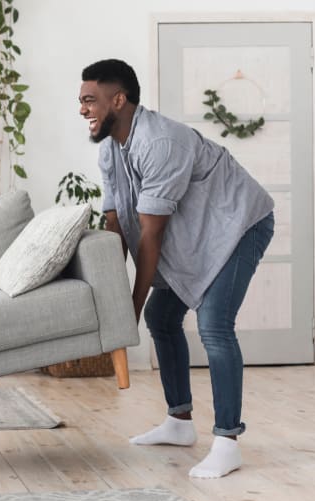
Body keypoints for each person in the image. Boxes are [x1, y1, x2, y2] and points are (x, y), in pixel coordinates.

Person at [79, 59, 274, 478]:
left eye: (90, 100)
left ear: (119, 99)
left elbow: (151, 237)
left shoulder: (160, 142)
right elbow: (116, 227)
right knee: (162, 316)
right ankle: (179, 421)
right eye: (81, 101)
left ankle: (227, 440)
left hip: (239, 223)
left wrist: (128, 312)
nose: (82, 109)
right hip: (199, 230)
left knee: (214, 324)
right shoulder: (111, 150)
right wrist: (114, 303)